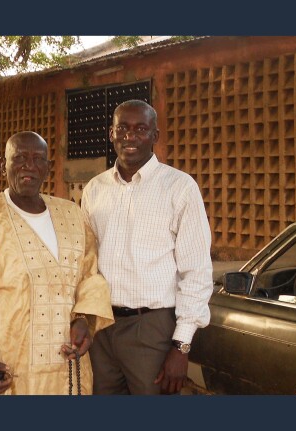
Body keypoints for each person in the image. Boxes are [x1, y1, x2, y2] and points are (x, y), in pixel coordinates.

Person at [0, 131, 114, 395]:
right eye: (20, 158)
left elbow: (89, 279)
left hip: (64, 371)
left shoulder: (72, 216)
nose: (29, 166)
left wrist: (84, 321)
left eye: (38, 159)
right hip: (4, 370)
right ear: (3, 165)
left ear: (47, 168)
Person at [81, 100, 213, 395]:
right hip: (102, 328)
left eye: (141, 129)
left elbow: (196, 271)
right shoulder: (94, 190)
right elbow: (86, 262)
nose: (130, 136)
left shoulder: (179, 187)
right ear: (111, 134)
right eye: (123, 129)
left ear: (154, 136)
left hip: (151, 329)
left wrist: (181, 345)